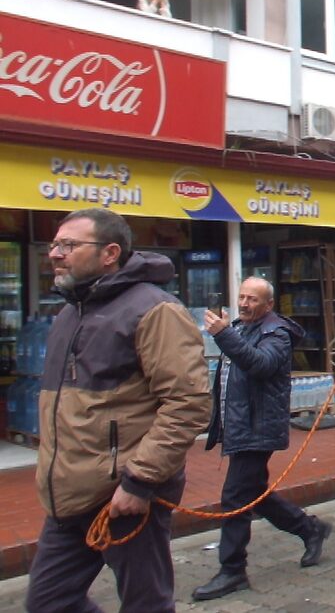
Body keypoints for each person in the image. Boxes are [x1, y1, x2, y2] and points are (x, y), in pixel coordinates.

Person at [26, 208, 210, 612]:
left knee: (146, 604)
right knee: (47, 603)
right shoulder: (68, 314)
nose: (55, 253)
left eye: (69, 245)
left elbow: (188, 403)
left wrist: (139, 481)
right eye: (54, 244)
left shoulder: (154, 310)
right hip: (67, 495)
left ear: (110, 253)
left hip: (124, 494)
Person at [192, 277, 333, 601]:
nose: (244, 304)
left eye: (252, 299)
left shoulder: (277, 333)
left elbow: (261, 365)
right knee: (252, 493)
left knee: (234, 498)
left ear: (268, 304)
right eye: (242, 297)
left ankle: (232, 570)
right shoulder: (240, 326)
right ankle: (310, 529)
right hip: (241, 425)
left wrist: (223, 335)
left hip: (258, 428)